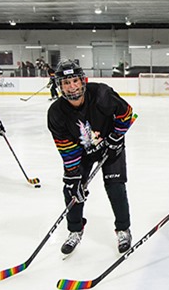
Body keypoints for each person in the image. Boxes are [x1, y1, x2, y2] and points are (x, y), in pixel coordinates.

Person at [47, 59, 136, 255]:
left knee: (115, 187)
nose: (72, 87)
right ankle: (75, 230)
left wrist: (115, 137)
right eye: (66, 82)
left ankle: (123, 229)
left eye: (75, 81)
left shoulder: (102, 94)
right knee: (72, 190)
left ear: (82, 81)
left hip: (111, 147)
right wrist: (73, 175)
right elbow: (66, 148)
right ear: (59, 86)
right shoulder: (56, 112)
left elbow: (127, 114)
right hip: (81, 153)